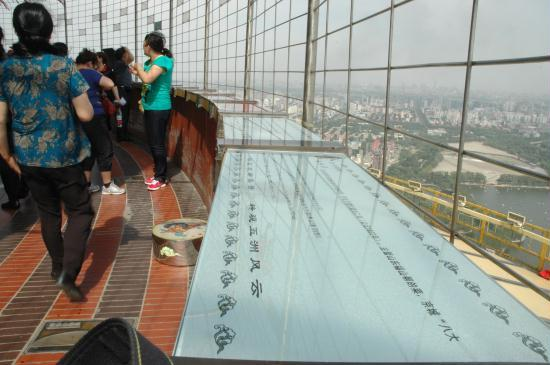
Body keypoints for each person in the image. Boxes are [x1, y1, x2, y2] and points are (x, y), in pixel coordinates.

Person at [0, 2, 94, 301]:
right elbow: (86, 115)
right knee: (80, 211)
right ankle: (68, 272)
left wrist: (5, 154)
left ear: (18, 29)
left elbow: (0, 117)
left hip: (28, 156)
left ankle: (56, 268)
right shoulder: (62, 65)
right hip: (65, 155)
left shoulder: (6, 68)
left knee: (49, 215)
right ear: (48, 29)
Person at [75, 49, 125, 195]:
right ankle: (108, 186)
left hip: (78, 117)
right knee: (105, 149)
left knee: (87, 151)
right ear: (90, 63)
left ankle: (86, 186)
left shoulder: (71, 74)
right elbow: (109, 83)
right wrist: (97, 74)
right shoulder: (90, 72)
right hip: (95, 116)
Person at [130, 32, 173, 191]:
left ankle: (161, 177)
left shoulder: (163, 60)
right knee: (153, 143)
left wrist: (140, 68)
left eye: (144, 44)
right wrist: (137, 73)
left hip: (159, 107)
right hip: (151, 107)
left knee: (157, 144)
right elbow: (146, 77)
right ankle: (158, 175)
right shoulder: (153, 61)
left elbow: (148, 78)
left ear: (149, 46)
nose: (143, 47)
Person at [0, 26, 28, 210]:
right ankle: (24, 187)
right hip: (17, 115)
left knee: (5, 158)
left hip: (4, 117)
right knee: (17, 154)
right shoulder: (6, 61)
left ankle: (14, 197)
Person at [112, 46, 134, 141]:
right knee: (122, 112)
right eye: (126, 53)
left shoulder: (119, 64)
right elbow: (131, 58)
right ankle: (121, 135)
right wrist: (126, 49)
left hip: (123, 91)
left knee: (122, 113)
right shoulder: (120, 63)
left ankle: (121, 134)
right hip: (123, 92)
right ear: (124, 55)